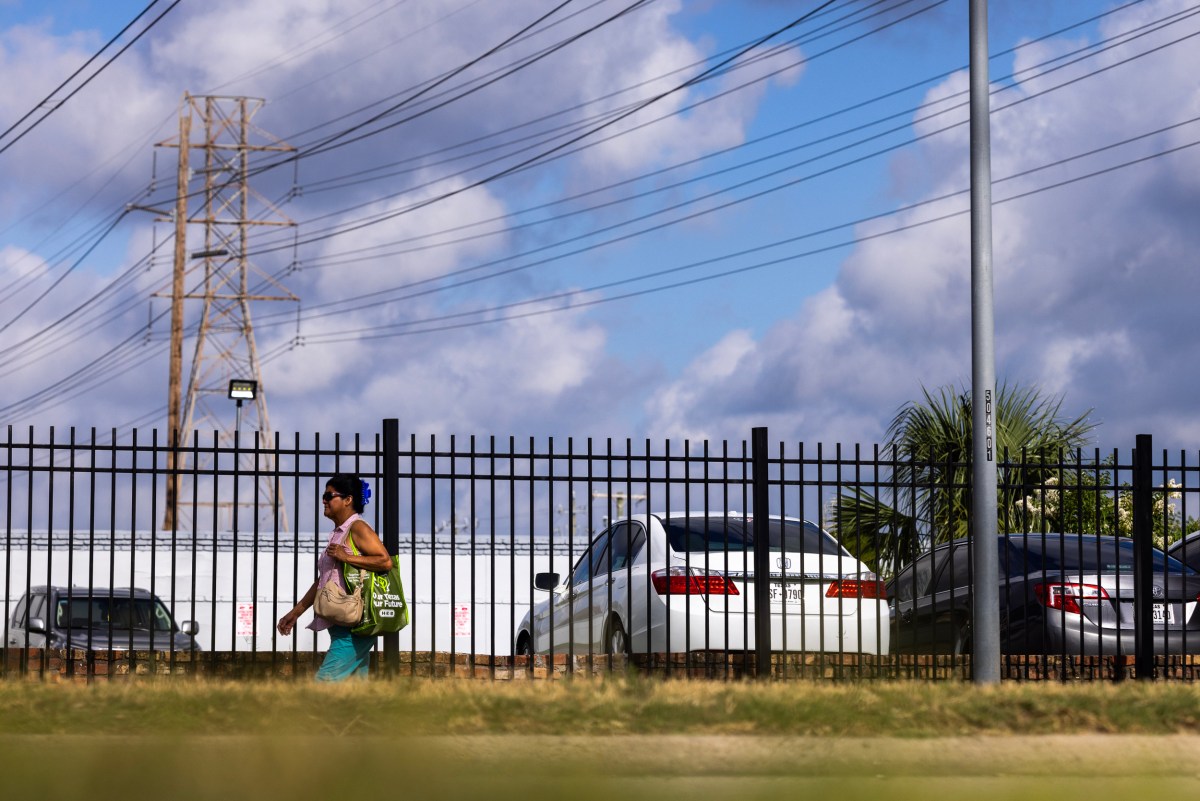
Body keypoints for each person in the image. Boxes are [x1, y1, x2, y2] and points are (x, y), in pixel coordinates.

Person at [277, 474, 392, 681]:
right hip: (342, 625)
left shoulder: (358, 528)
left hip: (355, 628)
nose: (324, 500)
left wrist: (346, 556)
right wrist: (296, 613)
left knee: (323, 684)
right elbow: (324, 581)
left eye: (329, 496)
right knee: (354, 695)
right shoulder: (339, 533)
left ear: (348, 500)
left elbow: (384, 561)